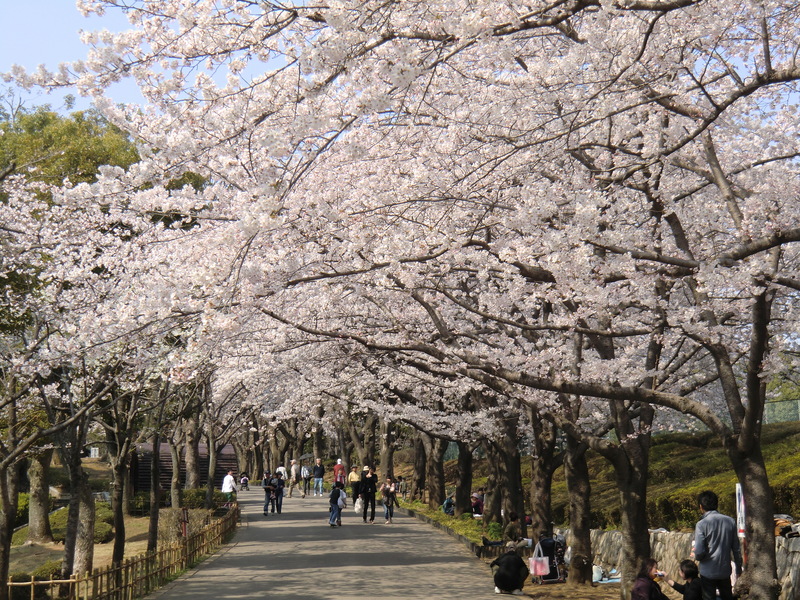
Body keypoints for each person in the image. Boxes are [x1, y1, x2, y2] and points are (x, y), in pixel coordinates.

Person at [694, 490, 742, 600]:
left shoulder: (701, 524)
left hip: (707, 572)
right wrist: (738, 569)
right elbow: (736, 549)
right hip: (725, 571)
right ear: (716, 504)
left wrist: (699, 557)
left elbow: (699, 552)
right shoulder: (730, 521)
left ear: (701, 507)